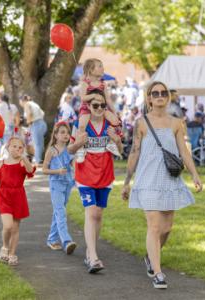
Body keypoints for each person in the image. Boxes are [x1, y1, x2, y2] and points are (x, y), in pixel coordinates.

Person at [121, 81, 202, 289]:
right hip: (147, 179)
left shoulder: (176, 123)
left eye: (163, 93)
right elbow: (134, 152)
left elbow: (184, 152)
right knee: (154, 226)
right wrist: (127, 182)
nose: (159, 96)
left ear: (168, 97)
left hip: (169, 179)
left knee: (167, 228)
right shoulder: (141, 123)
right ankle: (158, 273)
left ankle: (150, 257)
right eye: (154, 93)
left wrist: (194, 174)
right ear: (148, 98)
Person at [67, 90, 123, 273]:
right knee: (91, 212)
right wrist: (78, 144)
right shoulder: (81, 125)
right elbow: (70, 149)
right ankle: (92, 257)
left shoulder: (111, 125)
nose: (99, 108)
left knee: (98, 214)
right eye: (95, 105)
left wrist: (117, 140)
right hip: (85, 175)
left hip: (105, 175)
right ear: (88, 107)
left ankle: (92, 252)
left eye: (102, 105)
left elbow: (120, 150)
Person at [0, 136, 36, 266]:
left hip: (18, 196)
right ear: (8, 148)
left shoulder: (22, 162)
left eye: (20, 147)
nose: (17, 149)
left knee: (15, 228)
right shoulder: (0, 164)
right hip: (4, 196)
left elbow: (31, 171)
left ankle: (12, 253)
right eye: (14, 146)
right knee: (7, 226)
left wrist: (24, 158)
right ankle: (5, 246)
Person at [76, 58, 121, 163]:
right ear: (91, 70)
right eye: (99, 66)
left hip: (102, 107)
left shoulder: (103, 84)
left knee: (114, 120)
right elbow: (82, 97)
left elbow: (108, 99)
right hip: (86, 108)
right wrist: (93, 95)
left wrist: (114, 111)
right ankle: (81, 148)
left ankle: (110, 142)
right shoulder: (85, 83)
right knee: (82, 125)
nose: (102, 68)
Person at [42, 121, 77, 254]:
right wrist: (57, 171)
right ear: (55, 135)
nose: (66, 135)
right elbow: (44, 170)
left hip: (68, 184)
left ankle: (51, 239)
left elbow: (75, 165)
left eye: (67, 133)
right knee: (61, 212)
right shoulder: (51, 151)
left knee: (58, 212)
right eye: (62, 132)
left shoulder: (70, 150)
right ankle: (66, 241)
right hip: (56, 184)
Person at [0, 91, 19, 162]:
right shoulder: (13, 106)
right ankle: (7, 160)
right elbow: (17, 119)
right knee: (7, 145)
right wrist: (16, 127)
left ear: (0, 99)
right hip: (9, 127)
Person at [19, 95, 47, 164]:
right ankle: (39, 159)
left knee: (37, 144)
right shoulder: (34, 104)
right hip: (42, 123)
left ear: (22, 101)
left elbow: (29, 114)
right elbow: (43, 113)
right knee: (39, 144)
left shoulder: (27, 104)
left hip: (36, 124)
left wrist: (29, 123)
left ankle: (37, 161)